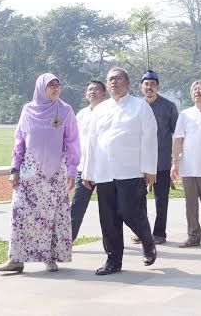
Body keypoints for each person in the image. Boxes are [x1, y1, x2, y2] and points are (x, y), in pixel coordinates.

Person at [0, 73, 80, 274]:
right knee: (20, 214)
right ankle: (16, 259)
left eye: (57, 85)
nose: (55, 88)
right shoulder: (28, 110)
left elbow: (72, 142)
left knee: (51, 216)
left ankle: (50, 258)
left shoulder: (65, 110)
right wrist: (14, 168)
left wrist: (71, 169)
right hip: (29, 172)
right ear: (41, 88)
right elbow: (19, 141)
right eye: (50, 85)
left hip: (54, 175)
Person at [80, 67, 158, 276]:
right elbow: (91, 142)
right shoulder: (100, 109)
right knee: (108, 218)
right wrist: (88, 172)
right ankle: (113, 260)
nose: (113, 82)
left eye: (117, 78)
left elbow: (149, 138)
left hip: (130, 171)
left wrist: (149, 168)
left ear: (128, 82)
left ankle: (147, 240)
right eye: (110, 79)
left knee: (130, 211)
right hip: (104, 172)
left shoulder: (140, 107)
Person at [171, 80, 201, 247]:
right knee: (190, 204)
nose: (197, 92)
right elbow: (178, 139)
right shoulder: (185, 114)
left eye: (200, 89)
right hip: (188, 166)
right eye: (194, 89)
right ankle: (193, 236)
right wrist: (175, 162)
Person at [134, 70, 178, 244]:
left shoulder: (169, 106)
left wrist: (176, 159)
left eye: (153, 84)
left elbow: (178, 133)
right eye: (146, 84)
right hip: (139, 162)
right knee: (138, 199)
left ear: (158, 87)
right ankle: (141, 232)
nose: (149, 87)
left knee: (161, 200)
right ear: (141, 87)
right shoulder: (135, 106)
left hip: (162, 162)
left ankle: (159, 233)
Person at [70, 80, 107, 241]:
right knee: (77, 207)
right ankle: (67, 242)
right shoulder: (81, 114)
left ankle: (112, 242)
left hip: (105, 168)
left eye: (97, 89)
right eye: (90, 90)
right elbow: (74, 140)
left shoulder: (109, 112)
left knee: (108, 209)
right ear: (86, 94)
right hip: (83, 168)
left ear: (104, 93)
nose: (93, 92)